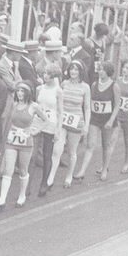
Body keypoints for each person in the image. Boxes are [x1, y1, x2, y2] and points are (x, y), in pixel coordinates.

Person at [79, 61, 118, 182]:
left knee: (106, 145)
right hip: (95, 118)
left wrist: (111, 120)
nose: (99, 71)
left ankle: (105, 168)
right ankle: (82, 171)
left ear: (108, 72)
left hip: (107, 119)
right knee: (90, 145)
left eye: (102, 70)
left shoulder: (114, 86)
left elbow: (117, 106)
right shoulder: (94, 84)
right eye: (99, 69)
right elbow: (90, 103)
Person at [58, 62, 92, 188]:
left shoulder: (85, 87)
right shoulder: (64, 84)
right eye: (71, 69)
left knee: (72, 151)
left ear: (80, 72)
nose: (73, 72)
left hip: (76, 121)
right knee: (58, 147)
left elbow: (87, 108)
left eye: (76, 70)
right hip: (62, 120)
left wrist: (86, 125)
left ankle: (69, 176)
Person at [33, 63, 63, 197]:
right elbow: (35, 105)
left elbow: (60, 112)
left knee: (47, 154)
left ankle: (44, 183)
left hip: (51, 123)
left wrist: (58, 130)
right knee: (33, 153)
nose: (45, 76)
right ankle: (28, 184)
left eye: (49, 75)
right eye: (45, 73)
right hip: (38, 121)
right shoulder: (39, 88)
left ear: (54, 77)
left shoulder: (58, 91)